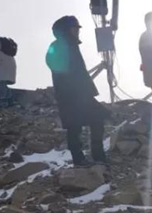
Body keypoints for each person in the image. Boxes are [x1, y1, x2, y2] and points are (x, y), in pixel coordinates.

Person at [45, 16, 109, 167]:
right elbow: (56, 65)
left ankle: (97, 156)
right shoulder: (60, 46)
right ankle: (80, 159)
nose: (77, 31)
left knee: (95, 119)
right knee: (74, 126)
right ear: (66, 30)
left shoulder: (70, 45)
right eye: (74, 28)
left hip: (79, 93)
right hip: (71, 94)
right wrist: (70, 83)